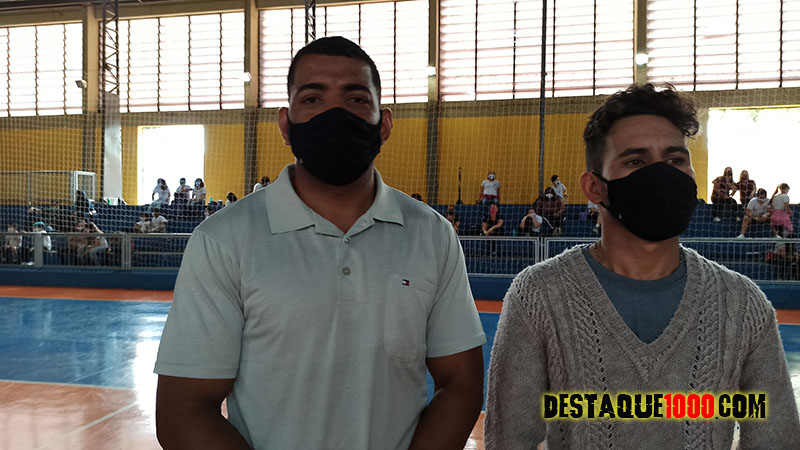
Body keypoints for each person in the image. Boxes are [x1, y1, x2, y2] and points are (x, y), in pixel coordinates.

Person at [155, 36, 485, 450]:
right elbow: (183, 411)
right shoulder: (224, 240)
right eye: (312, 99)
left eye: (356, 99)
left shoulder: (431, 234)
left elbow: (461, 382)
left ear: (383, 124)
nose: (335, 115)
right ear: (285, 125)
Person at [484, 83, 800, 449]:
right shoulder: (539, 295)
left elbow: (776, 440)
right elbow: (510, 440)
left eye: (675, 161)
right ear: (594, 187)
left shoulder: (743, 303)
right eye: (636, 162)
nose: (662, 176)